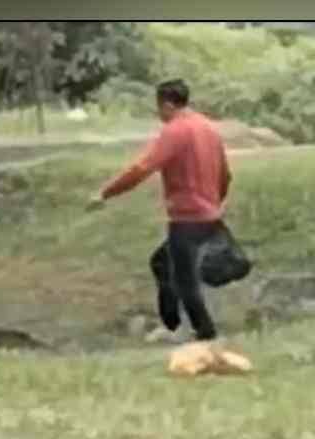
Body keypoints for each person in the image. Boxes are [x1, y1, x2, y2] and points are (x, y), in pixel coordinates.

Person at [87, 79, 249, 342]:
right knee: (164, 264)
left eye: (159, 107)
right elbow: (225, 174)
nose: (158, 114)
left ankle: (202, 331)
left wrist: (105, 193)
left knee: (183, 278)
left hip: (187, 218)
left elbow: (142, 168)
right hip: (209, 216)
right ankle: (176, 324)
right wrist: (214, 203)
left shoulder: (175, 131)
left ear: (167, 105)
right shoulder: (208, 128)